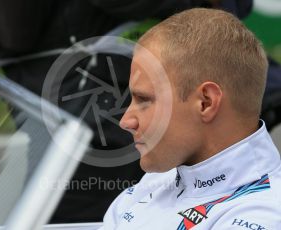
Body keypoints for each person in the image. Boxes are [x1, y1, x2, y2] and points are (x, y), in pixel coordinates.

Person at [100, 8, 281, 230]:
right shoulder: (155, 182)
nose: (126, 121)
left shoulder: (263, 214)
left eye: (144, 100)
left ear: (206, 102)